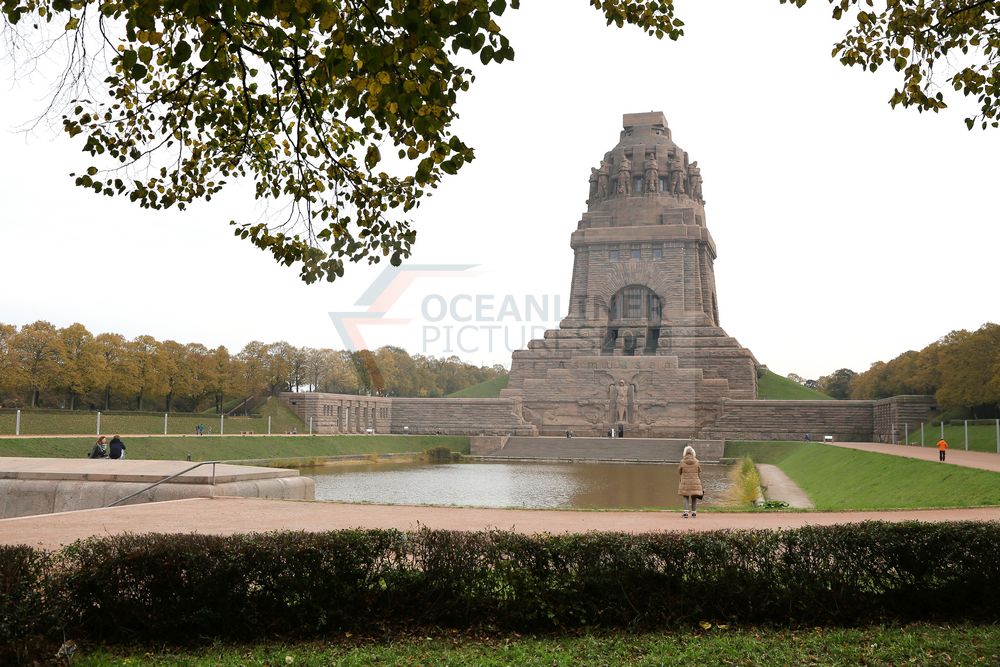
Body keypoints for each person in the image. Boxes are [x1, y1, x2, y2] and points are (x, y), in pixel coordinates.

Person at [677, 444, 703, 518]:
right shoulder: (697, 461)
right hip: (695, 482)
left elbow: (679, 472)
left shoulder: (682, 461)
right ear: (693, 453)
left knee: (685, 496)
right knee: (694, 496)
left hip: (685, 482)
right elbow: (699, 471)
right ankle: (694, 513)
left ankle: (685, 513)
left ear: (684, 453)